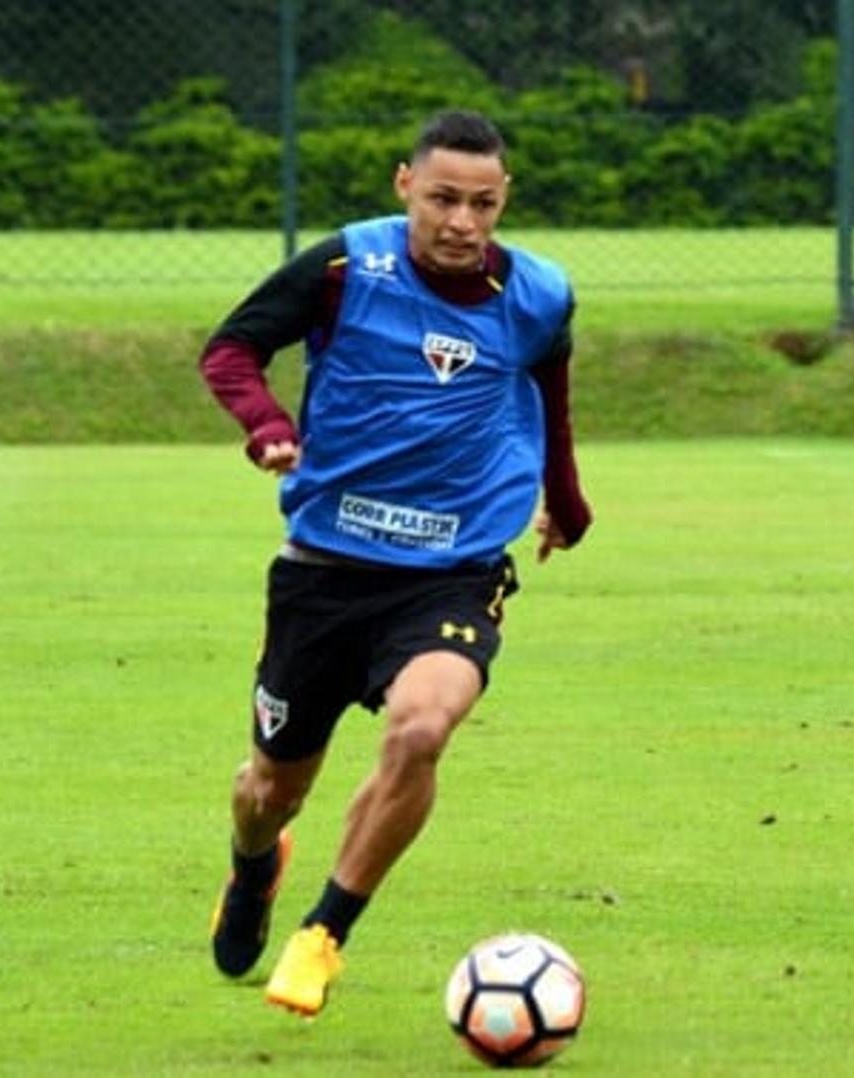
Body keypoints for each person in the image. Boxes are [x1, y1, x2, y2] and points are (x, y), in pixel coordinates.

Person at [196, 109, 592, 1017]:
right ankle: (256, 868)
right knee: (268, 789)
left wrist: (565, 503)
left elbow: (551, 401)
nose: (462, 222)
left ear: (504, 201)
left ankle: (324, 932)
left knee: (422, 727)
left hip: (454, 566)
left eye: (482, 204)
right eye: (444, 198)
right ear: (404, 184)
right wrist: (266, 427)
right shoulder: (344, 268)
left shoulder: (538, 295)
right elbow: (231, 350)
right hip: (325, 567)